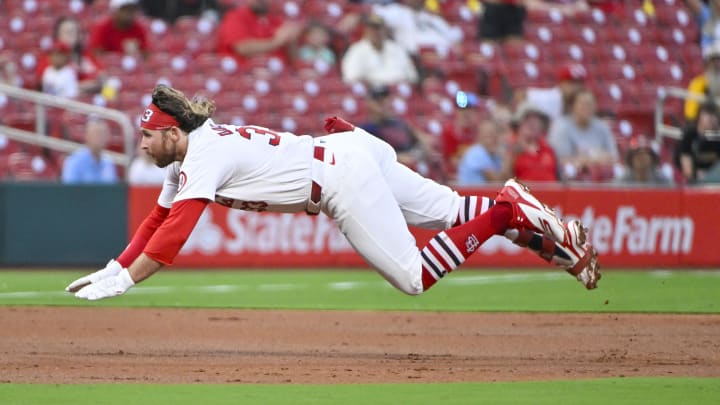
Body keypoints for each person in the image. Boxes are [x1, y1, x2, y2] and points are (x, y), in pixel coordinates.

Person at [64, 84, 600, 301]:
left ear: (173, 132)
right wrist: (116, 267)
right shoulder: (189, 155)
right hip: (351, 148)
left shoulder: (202, 153)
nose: (142, 143)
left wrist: (128, 283)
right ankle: (529, 221)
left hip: (342, 179)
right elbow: (156, 221)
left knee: (413, 278)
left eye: (149, 134)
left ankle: (508, 209)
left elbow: (174, 234)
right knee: (452, 211)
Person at [359, 85, 443, 181]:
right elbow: (374, 157)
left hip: (414, 163)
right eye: (378, 100)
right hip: (391, 173)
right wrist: (399, 158)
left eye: (385, 99)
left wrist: (425, 148)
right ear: (369, 103)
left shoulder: (400, 123)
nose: (383, 103)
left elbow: (422, 139)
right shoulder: (367, 129)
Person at [548, 88, 619, 181]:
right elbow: (561, 161)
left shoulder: (602, 127)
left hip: (601, 180)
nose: (586, 108)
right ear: (573, 106)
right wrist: (596, 158)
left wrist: (583, 160)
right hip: (569, 181)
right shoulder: (561, 126)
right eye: (582, 104)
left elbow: (614, 158)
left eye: (590, 104)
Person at [215, 0, 303, 67]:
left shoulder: (276, 20)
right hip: (244, 77)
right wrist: (276, 41)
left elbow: (293, 61)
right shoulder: (235, 17)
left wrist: (292, 39)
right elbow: (242, 48)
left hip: (277, 80)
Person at [341, 14, 419, 88]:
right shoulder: (356, 50)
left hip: (400, 91)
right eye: (373, 29)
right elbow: (351, 78)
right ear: (366, 30)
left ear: (385, 30)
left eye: (379, 28)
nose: (376, 32)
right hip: (373, 94)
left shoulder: (397, 48)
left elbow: (412, 77)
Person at [36, 16, 104, 96]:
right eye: (68, 32)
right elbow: (53, 87)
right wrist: (80, 87)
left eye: (75, 32)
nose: (72, 35)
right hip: (63, 102)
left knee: (111, 93)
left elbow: (102, 78)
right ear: (57, 35)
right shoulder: (50, 58)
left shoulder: (86, 56)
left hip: (88, 101)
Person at [371, 0, 464, 57]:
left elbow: (455, 36)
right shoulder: (398, 12)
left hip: (443, 57)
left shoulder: (432, 18)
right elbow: (373, 13)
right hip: (417, 59)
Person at [506, 102, 559, 182]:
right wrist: (511, 159)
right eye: (527, 118)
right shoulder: (510, 147)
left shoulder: (548, 149)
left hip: (551, 193)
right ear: (518, 124)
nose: (532, 122)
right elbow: (503, 181)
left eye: (536, 118)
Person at [521, 63, 588, 121]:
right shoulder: (549, 98)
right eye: (572, 83)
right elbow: (521, 94)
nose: (576, 88)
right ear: (561, 83)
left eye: (579, 83)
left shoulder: (579, 104)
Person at [61, 119, 119, 184]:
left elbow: (112, 191)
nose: (100, 138)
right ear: (87, 136)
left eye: (103, 134)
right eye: (96, 134)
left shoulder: (108, 162)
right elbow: (69, 191)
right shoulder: (74, 161)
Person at [676, 102, 720, 183]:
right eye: (708, 117)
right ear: (700, 118)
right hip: (696, 182)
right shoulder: (689, 136)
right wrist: (697, 175)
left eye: (714, 117)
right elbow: (687, 168)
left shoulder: (717, 136)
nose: (712, 120)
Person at [456, 117, 506, 185]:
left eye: (495, 135)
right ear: (480, 136)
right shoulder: (476, 153)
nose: (494, 139)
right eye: (489, 135)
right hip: (468, 194)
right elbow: (497, 179)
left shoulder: (494, 155)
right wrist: (509, 156)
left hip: (481, 194)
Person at [685, 41, 720, 122]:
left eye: (719, 60)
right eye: (714, 60)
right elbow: (691, 113)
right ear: (707, 63)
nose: (717, 65)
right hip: (702, 127)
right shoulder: (698, 83)